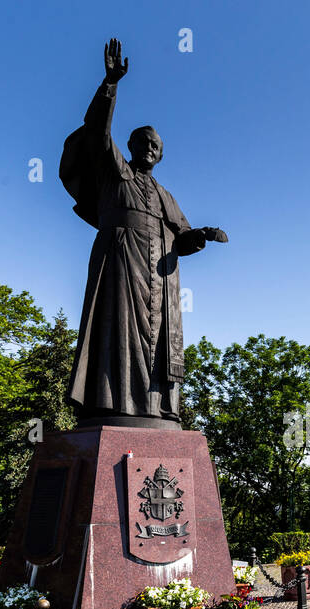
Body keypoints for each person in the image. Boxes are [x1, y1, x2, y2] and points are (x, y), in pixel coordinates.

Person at [59, 38, 227, 426]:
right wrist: (111, 84)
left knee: (158, 344)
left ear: (161, 154)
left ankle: (156, 410)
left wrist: (200, 235)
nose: (149, 148)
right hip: (120, 262)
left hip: (160, 279)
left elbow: (181, 239)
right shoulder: (114, 172)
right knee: (115, 332)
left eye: (156, 145)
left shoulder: (166, 195)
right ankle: (107, 405)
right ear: (131, 146)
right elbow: (97, 131)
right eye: (143, 142)